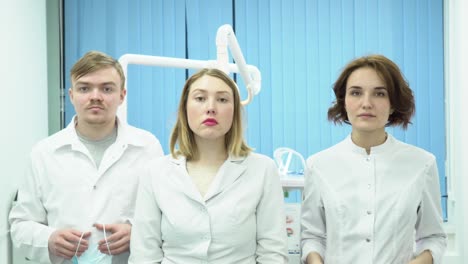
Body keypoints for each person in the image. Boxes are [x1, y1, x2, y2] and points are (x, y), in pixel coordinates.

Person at [9, 50, 164, 264]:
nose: (95, 96)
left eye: (107, 88)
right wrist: (49, 238)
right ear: (72, 95)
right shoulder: (43, 153)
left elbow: (167, 216)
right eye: (84, 88)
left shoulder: (147, 147)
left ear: (122, 95)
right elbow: (20, 224)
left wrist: (137, 233)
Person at [128, 68, 288, 263]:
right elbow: (144, 254)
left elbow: (273, 253)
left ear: (235, 111)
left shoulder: (262, 170)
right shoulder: (155, 172)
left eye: (222, 100)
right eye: (200, 98)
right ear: (185, 108)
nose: (211, 108)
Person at [301, 54, 447, 264]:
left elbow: (433, 238)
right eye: (356, 93)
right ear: (344, 102)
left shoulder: (421, 164)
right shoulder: (318, 165)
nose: (366, 103)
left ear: (393, 104)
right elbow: (312, 237)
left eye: (379, 93)